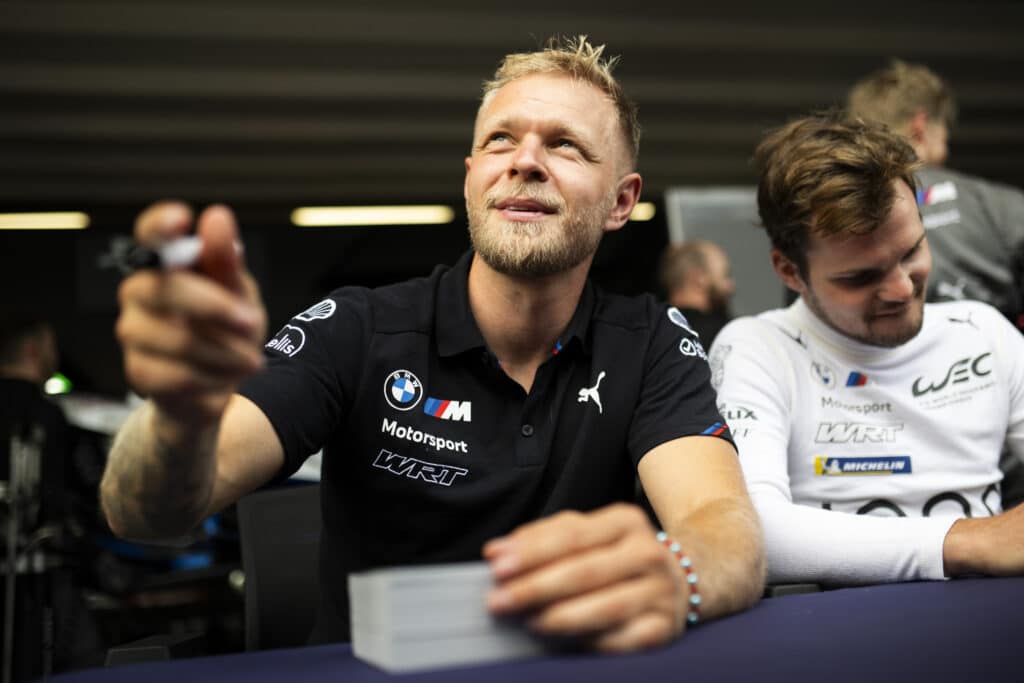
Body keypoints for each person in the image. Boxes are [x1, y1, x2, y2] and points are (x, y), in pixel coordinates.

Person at [100, 36, 764, 651]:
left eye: (565, 145)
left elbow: (722, 524)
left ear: (621, 202)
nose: (525, 162)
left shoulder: (650, 340)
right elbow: (142, 514)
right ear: (472, 177)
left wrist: (679, 573)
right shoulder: (358, 328)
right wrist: (178, 419)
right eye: (501, 140)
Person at [709, 111, 1024, 587]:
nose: (901, 289)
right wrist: (969, 541)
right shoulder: (759, 348)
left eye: (912, 252)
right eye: (860, 277)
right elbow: (748, 534)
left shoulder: (982, 332)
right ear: (790, 271)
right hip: (840, 628)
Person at [847, 60, 1024, 331]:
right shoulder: (996, 205)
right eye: (944, 135)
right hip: (983, 350)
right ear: (920, 127)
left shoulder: (833, 213)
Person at [657, 240, 735, 346]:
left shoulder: (654, 332)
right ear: (699, 278)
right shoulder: (727, 333)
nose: (731, 287)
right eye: (725, 276)